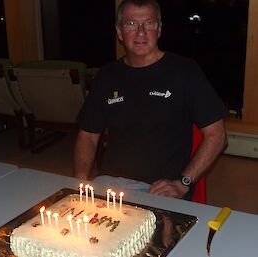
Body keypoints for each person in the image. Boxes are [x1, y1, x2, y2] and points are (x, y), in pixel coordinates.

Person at [73, 0, 227, 200]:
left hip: (160, 190)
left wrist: (183, 183)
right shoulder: (106, 76)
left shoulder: (185, 71)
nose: (141, 32)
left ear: (159, 29)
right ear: (119, 32)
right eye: (131, 24)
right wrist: (80, 179)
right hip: (110, 186)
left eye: (149, 23)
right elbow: (87, 136)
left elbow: (217, 136)